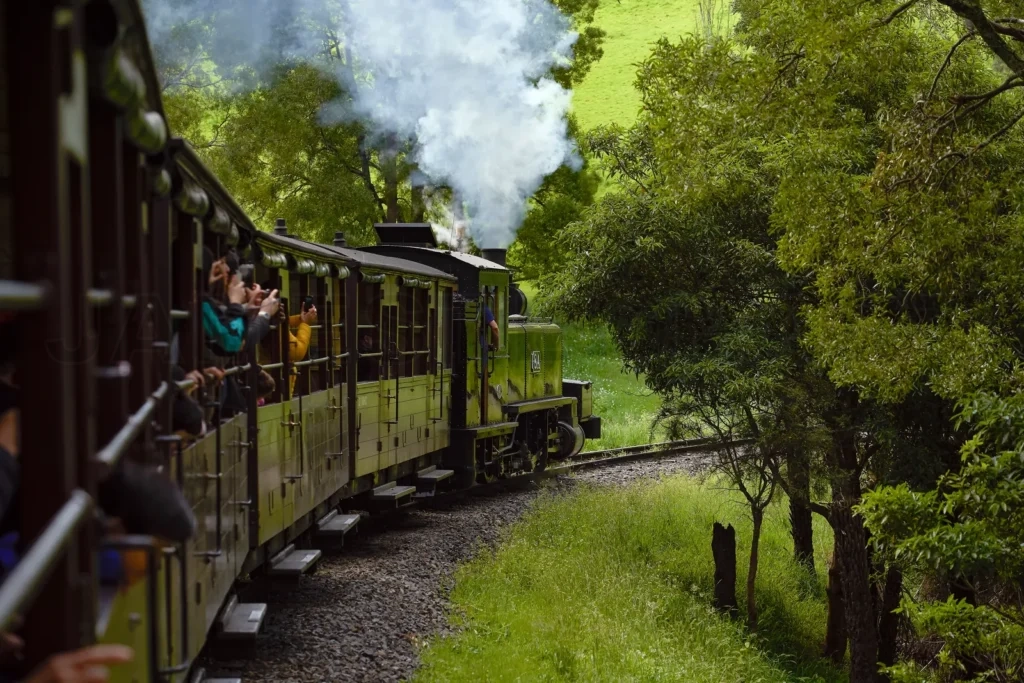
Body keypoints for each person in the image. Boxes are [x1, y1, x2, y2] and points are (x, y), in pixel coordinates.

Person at [201, 248, 246, 356]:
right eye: (222, 262)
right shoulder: (202, 301)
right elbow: (232, 342)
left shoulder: (202, 298)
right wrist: (236, 304)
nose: (227, 268)